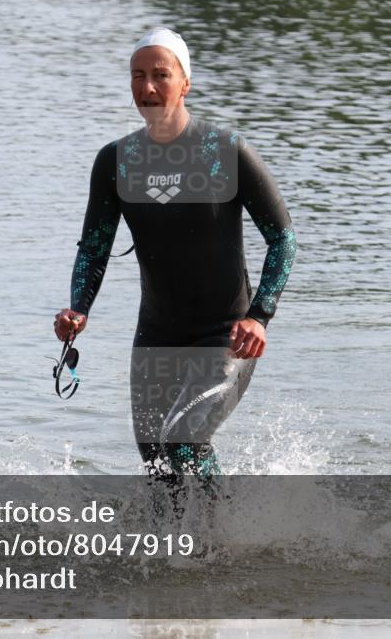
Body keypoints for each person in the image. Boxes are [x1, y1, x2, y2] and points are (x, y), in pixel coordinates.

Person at [53, 27, 296, 482]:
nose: (147, 87)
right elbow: (95, 247)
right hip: (157, 335)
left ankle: (227, 522)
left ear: (185, 83)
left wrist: (259, 317)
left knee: (184, 441)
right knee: (159, 467)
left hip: (225, 336)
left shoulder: (226, 151)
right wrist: (78, 309)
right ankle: (193, 531)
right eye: (138, 75)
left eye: (161, 75)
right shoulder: (116, 162)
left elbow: (282, 238)